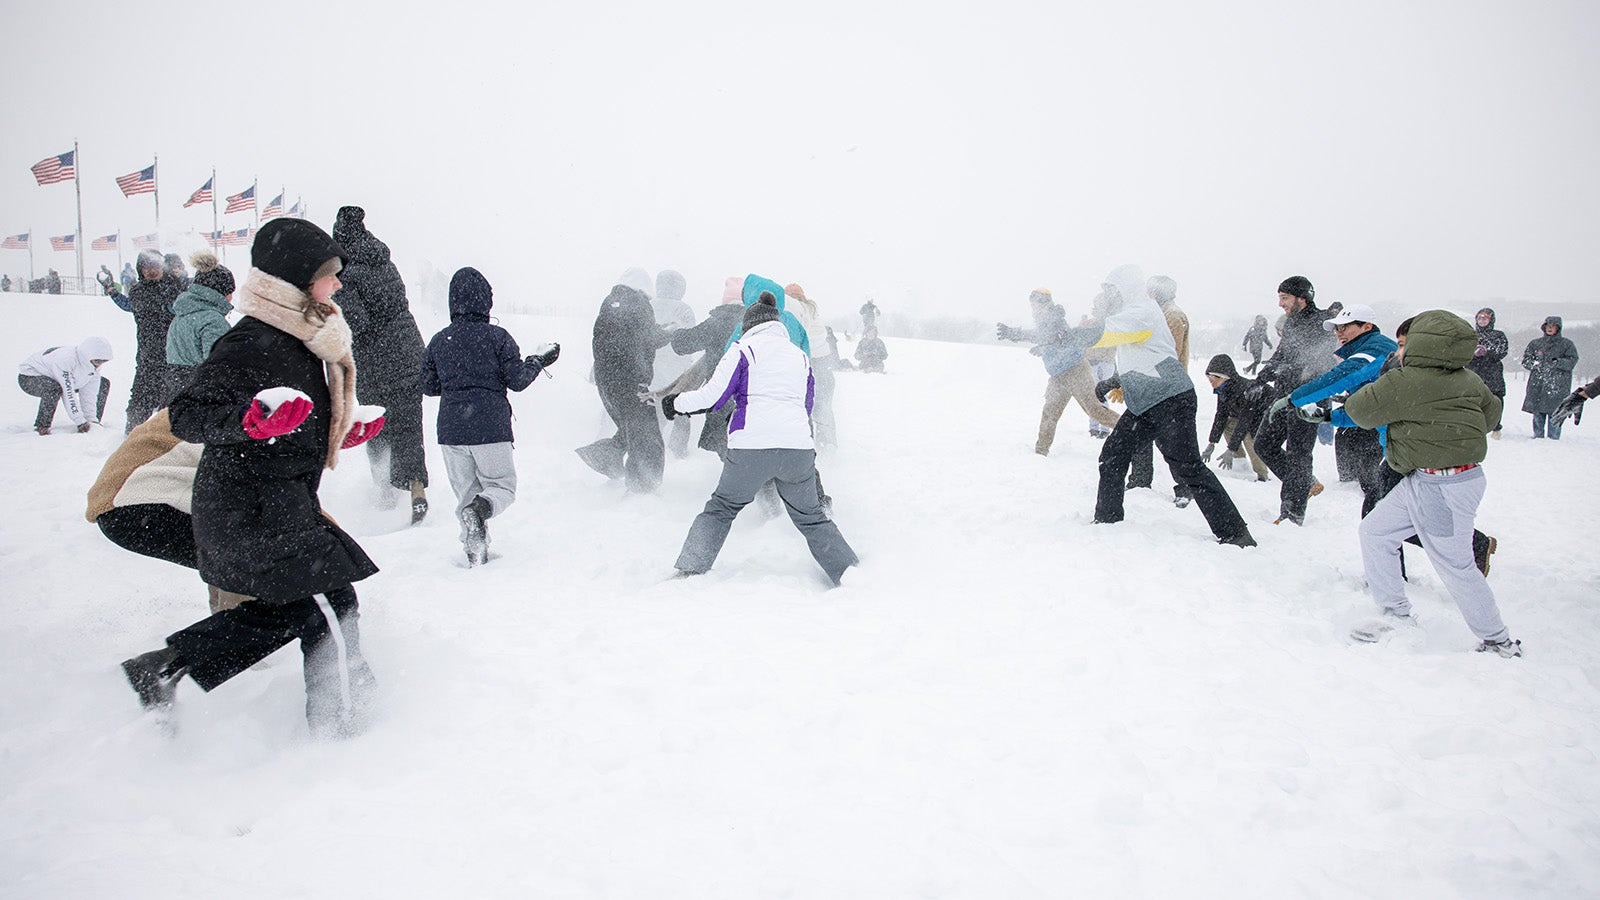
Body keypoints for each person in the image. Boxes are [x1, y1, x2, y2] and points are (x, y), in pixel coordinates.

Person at [119, 217, 387, 739]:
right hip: (249, 506)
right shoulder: (254, 340)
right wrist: (247, 422)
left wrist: (337, 432)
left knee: (302, 608)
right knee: (329, 606)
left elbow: (293, 415)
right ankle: (348, 733)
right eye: (328, 275)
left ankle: (164, 668)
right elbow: (187, 414)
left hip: (276, 501)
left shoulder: (301, 338)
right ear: (296, 279)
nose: (336, 285)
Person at [1341, 310, 1518, 656]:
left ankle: (1498, 640)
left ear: (1421, 344)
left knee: (1455, 564)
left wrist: (1388, 375)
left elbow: (1360, 412)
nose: (1399, 349)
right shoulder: (1468, 379)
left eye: (1406, 343)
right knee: (1375, 532)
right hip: (1431, 478)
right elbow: (1491, 415)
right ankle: (1395, 614)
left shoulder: (1403, 380)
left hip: (1443, 485)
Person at [662, 293, 858, 584]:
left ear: (749, 325)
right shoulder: (799, 357)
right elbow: (806, 405)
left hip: (750, 450)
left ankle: (691, 567)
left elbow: (713, 397)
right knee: (812, 517)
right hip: (797, 451)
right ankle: (849, 572)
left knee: (721, 508)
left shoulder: (742, 350)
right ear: (776, 324)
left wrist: (675, 403)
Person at [1082, 264, 1255, 546]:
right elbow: (1139, 353)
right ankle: (1108, 520)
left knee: (1188, 466)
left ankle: (1236, 533)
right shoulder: (1137, 313)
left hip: (1170, 399)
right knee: (1113, 455)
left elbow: (1157, 352)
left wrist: (1060, 334)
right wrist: (1118, 381)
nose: (1107, 295)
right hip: (1148, 400)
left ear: (1125, 289)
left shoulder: (1149, 312)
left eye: (1110, 290)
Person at [421, 267, 559, 566]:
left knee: (466, 494)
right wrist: (537, 361)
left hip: (451, 430)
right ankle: (480, 513)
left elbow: (428, 387)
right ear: (486, 301)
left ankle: (474, 551)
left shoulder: (439, 340)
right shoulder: (498, 338)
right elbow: (518, 380)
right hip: (489, 427)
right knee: (501, 488)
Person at [86, 409, 252, 613]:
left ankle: (228, 629)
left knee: (235, 559)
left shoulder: (238, 391)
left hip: (126, 498)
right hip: (138, 496)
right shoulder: (269, 408)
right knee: (255, 554)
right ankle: (233, 632)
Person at [330, 206, 431, 521]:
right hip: (409, 352)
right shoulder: (384, 261)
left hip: (376, 361)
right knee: (410, 426)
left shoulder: (345, 274)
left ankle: (385, 494)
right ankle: (416, 489)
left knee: (377, 425)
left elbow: (356, 322)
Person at [1283, 303, 1397, 516]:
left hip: (1408, 446)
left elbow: (1337, 378)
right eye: (1336, 329)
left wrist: (1293, 399)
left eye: (1345, 327)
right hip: (1397, 448)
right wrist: (1328, 416)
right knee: (1384, 521)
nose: (1339, 333)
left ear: (1366, 326)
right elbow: (1368, 409)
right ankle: (1476, 546)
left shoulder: (1374, 351)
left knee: (1383, 520)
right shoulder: (1371, 351)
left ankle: (1477, 546)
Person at [996, 288, 1120, 456]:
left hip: (1076, 370)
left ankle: (1132, 429)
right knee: (1050, 413)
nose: (1032, 306)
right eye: (1031, 303)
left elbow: (1046, 334)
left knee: (1094, 410)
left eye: (1035, 302)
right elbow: (1052, 339)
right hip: (1057, 376)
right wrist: (1044, 349)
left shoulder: (1053, 315)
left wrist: (1015, 333)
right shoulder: (1042, 318)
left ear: (1043, 302)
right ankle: (1041, 451)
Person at [1254, 276, 1336, 525]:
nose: (1280, 303)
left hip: (1308, 397)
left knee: (1299, 454)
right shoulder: (1291, 324)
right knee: (1264, 444)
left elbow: (1318, 358)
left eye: (1284, 297)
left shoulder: (1323, 322)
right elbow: (1283, 352)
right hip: (1283, 396)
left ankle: (1292, 513)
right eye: (1279, 297)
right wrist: (1263, 377)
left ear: (1303, 297)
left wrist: (1295, 370)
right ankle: (1306, 482)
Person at [581, 268, 671, 492]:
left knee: (633, 428)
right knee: (646, 435)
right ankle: (643, 490)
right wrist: (671, 333)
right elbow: (647, 337)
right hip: (631, 381)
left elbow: (622, 336)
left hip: (607, 381)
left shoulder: (610, 303)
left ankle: (604, 455)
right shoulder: (638, 303)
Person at [1128, 275, 1190, 502]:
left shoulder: (1172, 316)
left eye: (1151, 292)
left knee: (1171, 442)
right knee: (1141, 436)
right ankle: (1139, 481)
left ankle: (1185, 488)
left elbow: (1167, 354)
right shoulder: (1161, 314)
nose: (1148, 296)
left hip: (1167, 389)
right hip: (1152, 387)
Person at [124, 249, 181, 433]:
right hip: (148, 355)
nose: (151, 270)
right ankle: (132, 434)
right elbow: (153, 306)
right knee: (141, 397)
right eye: (146, 267)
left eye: (155, 265)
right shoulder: (138, 291)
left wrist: (175, 283)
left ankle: (168, 437)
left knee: (172, 398)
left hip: (172, 355)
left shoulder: (174, 287)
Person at [164, 251, 235, 398]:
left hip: (176, 391)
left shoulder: (180, 316)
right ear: (220, 292)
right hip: (202, 395)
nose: (231, 298)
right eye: (230, 291)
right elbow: (218, 366)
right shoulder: (213, 321)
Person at [1199, 354, 1272, 482]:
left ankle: (1262, 475)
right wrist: (1212, 442)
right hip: (1247, 416)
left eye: (1213, 376)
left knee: (1250, 437)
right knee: (1229, 424)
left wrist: (1230, 449)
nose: (1210, 380)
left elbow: (1244, 422)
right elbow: (1220, 416)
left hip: (1266, 415)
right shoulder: (1222, 389)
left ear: (1225, 377)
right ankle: (1241, 462)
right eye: (1208, 376)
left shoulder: (1244, 390)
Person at [18, 337, 113, 435]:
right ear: (87, 356)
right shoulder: (67, 360)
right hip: (30, 377)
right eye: (97, 361)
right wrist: (79, 421)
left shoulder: (92, 365)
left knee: (103, 384)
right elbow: (68, 392)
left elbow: (89, 393)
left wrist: (90, 419)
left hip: (63, 378)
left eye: (104, 361)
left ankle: (93, 424)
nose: (100, 364)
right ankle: (42, 426)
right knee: (54, 388)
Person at [650, 269, 698, 459]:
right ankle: (678, 453)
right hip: (677, 368)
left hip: (653, 367)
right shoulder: (683, 309)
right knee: (680, 410)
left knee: (656, 411)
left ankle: (653, 448)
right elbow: (691, 338)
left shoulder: (649, 305)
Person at [786, 283, 839, 450]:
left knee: (803, 410)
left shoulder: (796, 313)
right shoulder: (813, 312)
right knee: (824, 409)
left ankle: (805, 450)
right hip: (824, 366)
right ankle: (828, 445)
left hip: (808, 366)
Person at [1521, 316, 1578, 439]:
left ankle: (1554, 438)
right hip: (1538, 384)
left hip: (1557, 385)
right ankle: (1538, 437)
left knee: (1555, 412)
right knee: (1537, 412)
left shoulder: (1567, 344)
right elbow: (1526, 361)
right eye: (1548, 325)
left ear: (1558, 328)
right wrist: (1535, 364)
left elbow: (1572, 361)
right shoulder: (1535, 343)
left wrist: (1557, 362)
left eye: (1553, 326)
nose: (1550, 328)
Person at [1466, 307, 1508, 439]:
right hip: (1473, 373)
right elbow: (1462, 352)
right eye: (1479, 317)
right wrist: (1473, 353)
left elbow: (1502, 352)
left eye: (1485, 318)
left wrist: (1487, 352)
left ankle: (1495, 427)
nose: (1482, 320)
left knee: (1495, 401)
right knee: (1472, 401)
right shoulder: (1470, 335)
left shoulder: (1498, 335)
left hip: (1492, 374)